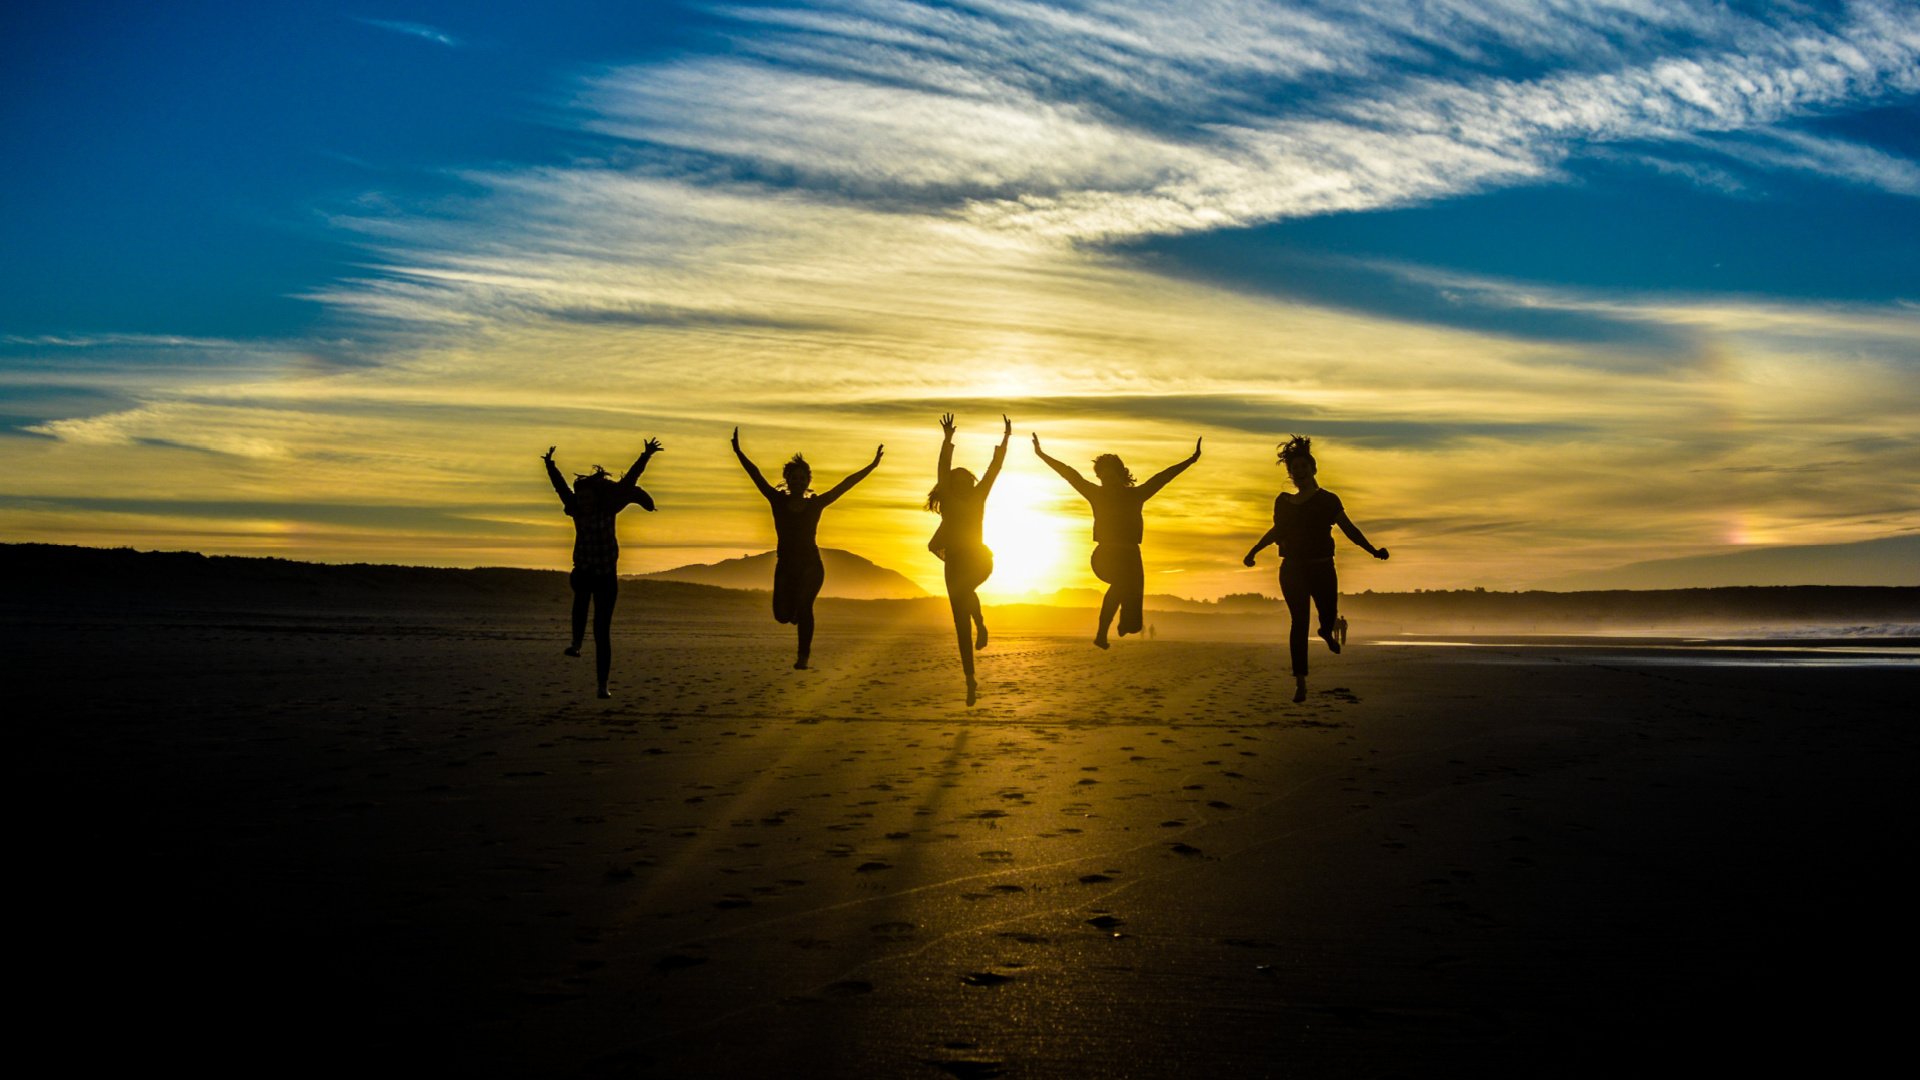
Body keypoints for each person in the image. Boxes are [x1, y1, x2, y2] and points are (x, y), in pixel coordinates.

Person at [1242, 435, 1388, 703]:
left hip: (1322, 568)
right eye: (1294, 468)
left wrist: (1372, 550)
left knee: (1329, 614)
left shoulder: (1328, 500)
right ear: (1290, 472)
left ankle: (1325, 630)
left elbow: (1349, 529)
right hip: (1292, 569)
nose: (1298, 472)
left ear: (1313, 469)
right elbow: (1277, 531)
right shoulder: (1283, 502)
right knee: (1298, 622)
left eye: (1303, 467)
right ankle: (1300, 682)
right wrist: (1254, 551)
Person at [732, 427, 883, 669]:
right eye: (795, 477)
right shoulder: (777, 500)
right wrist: (738, 452)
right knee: (781, 616)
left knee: (805, 606)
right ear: (788, 479)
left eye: (803, 478)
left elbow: (845, 485)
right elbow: (756, 475)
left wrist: (872, 465)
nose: (799, 481)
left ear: (808, 481)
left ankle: (803, 656)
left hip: (811, 565)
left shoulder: (816, 504)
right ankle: (794, 616)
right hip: (785, 565)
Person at [1033, 432, 1201, 648]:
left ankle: (1124, 624)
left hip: (1131, 556)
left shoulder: (1136, 495)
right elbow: (1069, 474)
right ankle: (1101, 633)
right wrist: (1041, 454)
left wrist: (1191, 459)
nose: (1106, 482)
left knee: (1134, 624)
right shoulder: (1095, 494)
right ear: (1099, 478)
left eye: (1111, 477)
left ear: (1120, 476)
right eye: (1102, 478)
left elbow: (1163, 477)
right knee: (1121, 583)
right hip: (1106, 555)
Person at [544, 438, 662, 698]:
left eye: (587, 497)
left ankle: (602, 686)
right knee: (581, 597)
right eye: (580, 497)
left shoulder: (609, 508)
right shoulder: (575, 509)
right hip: (584, 571)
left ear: (595, 497)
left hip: (607, 577)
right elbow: (560, 487)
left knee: (601, 631)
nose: (583, 501)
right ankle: (575, 643)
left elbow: (629, 482)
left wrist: (646, 455)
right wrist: (550, 465)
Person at [927, 413, 1009, 705]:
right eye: (956, 480)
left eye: (965, 480)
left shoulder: (978, 497)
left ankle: (982, 623)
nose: (962, 483)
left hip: (979, 558)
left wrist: (1005, 440)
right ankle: (970, 681)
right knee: (960, 623)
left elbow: (994, 470)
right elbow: (942, 469)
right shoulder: (948, 499)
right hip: (955, 565)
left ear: (971, 483)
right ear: (951, 485)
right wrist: (947, 440)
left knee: (964, 592)